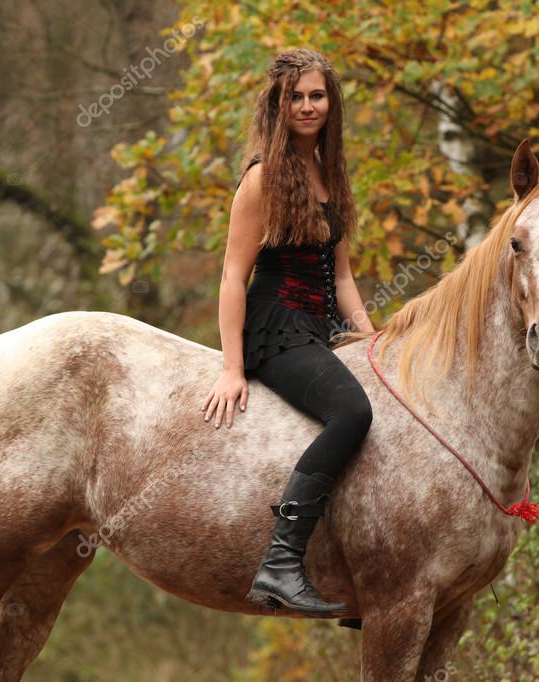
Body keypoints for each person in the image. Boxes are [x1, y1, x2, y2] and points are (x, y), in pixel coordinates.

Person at [201, 49, 375, 617]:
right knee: (353, 412)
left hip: (320, 328)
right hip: (275, 330)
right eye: (295, 96)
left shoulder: (333, 174)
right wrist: (232, 367)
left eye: (316, 95)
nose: (306, 106)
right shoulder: (262, 178)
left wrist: (373, 341)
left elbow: (343, 275)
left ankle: (361, 577)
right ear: (278, 104)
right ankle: (280, 563)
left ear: (332, 103)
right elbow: (233, 275)